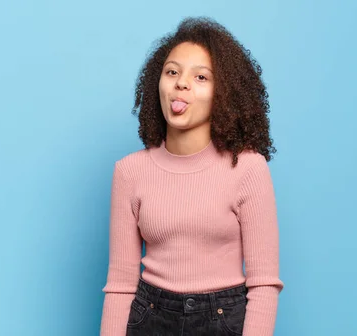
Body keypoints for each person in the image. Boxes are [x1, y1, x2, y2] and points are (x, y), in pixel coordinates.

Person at [100, 16, 284, 336]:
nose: (181, 83)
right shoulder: (129, 171)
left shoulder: (249, 169)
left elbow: (264, 284)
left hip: (223, 319)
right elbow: (119, 286)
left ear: (223, 93)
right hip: (150, 317)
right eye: (172, 72)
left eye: (201, 76)